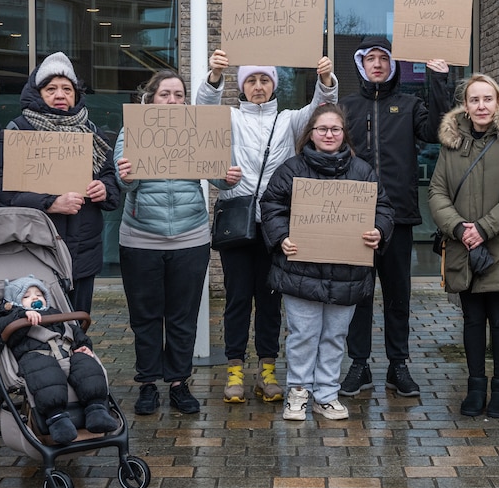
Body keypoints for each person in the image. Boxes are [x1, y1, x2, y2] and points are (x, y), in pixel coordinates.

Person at [200, 49, 336, 404]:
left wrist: (325, 81)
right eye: (251, 81)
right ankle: (233, 368)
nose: (258, 86)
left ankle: (267, 369)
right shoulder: (229, 117)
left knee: (271, 300)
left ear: (274, 85)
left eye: (264, 80)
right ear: (241, 87)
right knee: (237, 299)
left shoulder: (289, 120)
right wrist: (214, 77)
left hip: (277, 226)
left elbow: (320, 111)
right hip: (237, 221)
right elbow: (203, 113)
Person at [115, 71, 241, 416]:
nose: (172, 101)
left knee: (183, 316)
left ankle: (178, 383)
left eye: (178, 95)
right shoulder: (132, 132)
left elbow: (218, 178)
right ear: (151, 98)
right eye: (165, 94)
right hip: (140, 237)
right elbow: (123, 184)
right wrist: (127, 174)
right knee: (145, 317)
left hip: (190, 235)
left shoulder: (198, 130)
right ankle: (147, 384)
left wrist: (227, 177)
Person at [259, 104, 393, 421]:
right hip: (300, 269)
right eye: (322, 129)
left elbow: (383, 208)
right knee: (303, 335)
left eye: (335, 129)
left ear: (344, 133)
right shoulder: (292, 169)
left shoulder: (362, 171)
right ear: (311, 134)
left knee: (334, 336)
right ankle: (298, 392)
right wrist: (280, 237)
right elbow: (271, 205)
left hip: (347, 270)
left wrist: (379, 231)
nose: (329, 134)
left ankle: (327, 394)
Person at [338, 37, 453, 398]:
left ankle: (397, 365)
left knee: (398, 296)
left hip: (398, 217)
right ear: (361, 65)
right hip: (354, 218)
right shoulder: (347, 107)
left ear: (392, 65)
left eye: (382, 58)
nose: (376, 64)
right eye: (369, 58)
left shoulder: (409, 105)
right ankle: (359, 365)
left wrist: (440, 80)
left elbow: (436, 130)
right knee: (358, 295)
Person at [428, 73, 499, 419]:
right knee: (472, 320)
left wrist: (483, 228)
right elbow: (437, 192)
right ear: (466, 105)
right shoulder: (452, 143)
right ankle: (475, 387)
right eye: (474, 100)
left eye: (488, 98)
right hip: (462, 245)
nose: (481, 105)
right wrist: (459, 228)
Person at [0, 52, 120, 316]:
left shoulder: (91, 131)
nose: (60, 94)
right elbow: (3, 190)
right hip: (37, 249)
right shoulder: (19, 131)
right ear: (38, 93)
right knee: (42, 324)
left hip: (84, 250)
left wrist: (104, 189)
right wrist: (50, 204)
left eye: (67, 88)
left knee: (79, 321)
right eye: (51, 89)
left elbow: (110, 176)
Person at [0, 276, 119, 444]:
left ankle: (96, 410)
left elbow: (73, 330)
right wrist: (22, 315)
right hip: (37, 358)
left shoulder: (56, 314)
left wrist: (83, 345)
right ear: (14, 302)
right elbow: (4, 330)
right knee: (45, 375)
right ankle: (57, 419)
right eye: (26, 296)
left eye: (39, 294)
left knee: (88, 365)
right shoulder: (11, 319)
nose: (35, 297)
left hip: (67, 353)